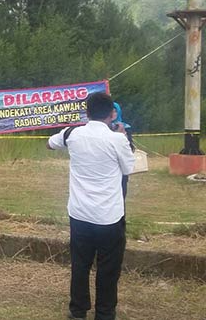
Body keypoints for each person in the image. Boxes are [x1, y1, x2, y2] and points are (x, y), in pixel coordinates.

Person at [47, 92, 134, 320]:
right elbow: (128, 169)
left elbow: (50, 143)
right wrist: (122, 136)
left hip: (80, 214)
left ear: (87, 112)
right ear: (111, 114)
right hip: (109, 217)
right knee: (108, 268)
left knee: (80, 264)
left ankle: (77, 311)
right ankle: (104, 313)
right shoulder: (117, 139)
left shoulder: (72, 134)